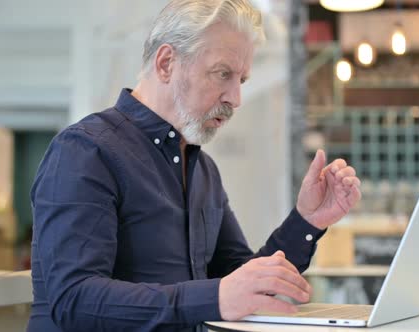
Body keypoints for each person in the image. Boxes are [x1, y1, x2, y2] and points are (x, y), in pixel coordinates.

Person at [27, 1, 362, 331]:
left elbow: (240, 279)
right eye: (223, 74)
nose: (235, 98)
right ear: (167, 63)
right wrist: (215, 296)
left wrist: (306, 220)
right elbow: (73, 300)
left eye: (241, 80)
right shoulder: (86, 151)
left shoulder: (203, 169)